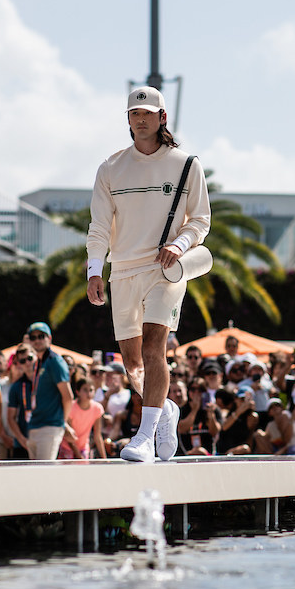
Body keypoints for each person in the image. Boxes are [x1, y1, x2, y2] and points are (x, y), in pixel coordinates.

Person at [85, 85, 212, 463]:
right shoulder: (110, 168)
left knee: (156, 348)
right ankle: (164, 409)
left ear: (162, 117)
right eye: (134, 114)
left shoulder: (187, 164)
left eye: (147, 113)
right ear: (128, 120)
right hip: (121, 272)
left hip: (165, 269)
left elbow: (201, 221)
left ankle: (144, 435)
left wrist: (179, 245)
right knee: (132, 362)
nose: (141, 120)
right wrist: (95, 270)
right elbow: (98, 227)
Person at [60, 377, 106, 459]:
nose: (89, 393)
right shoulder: (71, 407)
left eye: (91, 390)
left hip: (83, 448)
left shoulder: (97, 408)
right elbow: (69, 436)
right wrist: (79, 456)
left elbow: (97, 435)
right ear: (77, 392)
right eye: (85, 390)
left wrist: (104, 458)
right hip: (67, 448)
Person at [214, 389, 258, 455]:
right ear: (235, 400)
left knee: (245, 448)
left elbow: (249, 437)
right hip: (223, 451)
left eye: (245, 400)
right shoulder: (226, 412)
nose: (243, 402)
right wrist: (240, 411)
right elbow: (224, 427)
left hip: (240, 452)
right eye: (241, 399)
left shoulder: (252, 417)